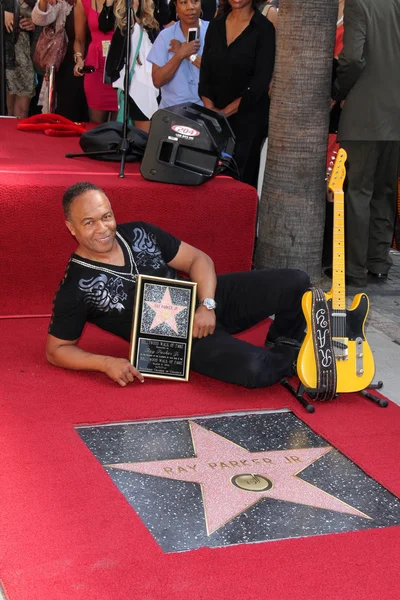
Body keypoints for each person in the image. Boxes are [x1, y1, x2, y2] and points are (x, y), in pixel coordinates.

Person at [46, 182, 310, 388]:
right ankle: (302, 364)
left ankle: (284, 342)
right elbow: (56, 350)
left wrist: (207, 304)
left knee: (295, 281)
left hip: (205, 302)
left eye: (106, 217)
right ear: (71, 228)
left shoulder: (139, 232)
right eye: (89, 222)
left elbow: (198, 259)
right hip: (177, 341)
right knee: (257, 368)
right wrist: (106, 363)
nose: (103, 228)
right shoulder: (76, 287)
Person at [333, 0, 400, 286]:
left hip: (363, 114)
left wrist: (338, 91)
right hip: (395, 116)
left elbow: (352, 58)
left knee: (358, 192)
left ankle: (355, 268)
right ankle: (379, 262)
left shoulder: (359, 4)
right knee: (384, 191)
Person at [199, 0, 275, 188]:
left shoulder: (264, 29)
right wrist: (211, 111)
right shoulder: (216, 24)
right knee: (209, 183)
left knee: (240, 183)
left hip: (248, 121)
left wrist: (224, 112)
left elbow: (260, 83)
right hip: (214, 121)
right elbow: (205, 72)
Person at [100, 0, 159, 132]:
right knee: (141, 135)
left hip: (152, 82)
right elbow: (104, 24)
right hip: (132, 84)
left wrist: (140, 20)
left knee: (150, 134)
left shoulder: (152, 21)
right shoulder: (122, 22)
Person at [31, 0, 89, 120]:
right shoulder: (63, 3)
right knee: (69, 114)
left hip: (98, 60)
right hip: (68, 64)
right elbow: (39, 19)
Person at [147, 0, 209, 108]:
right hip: (173, 111)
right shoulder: (165, 36)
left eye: (195, 1)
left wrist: (189, 56)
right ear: (176, 6)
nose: (190, 7)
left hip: (205, 110)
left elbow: (219, 72)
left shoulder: (213, 31)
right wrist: (180, 54)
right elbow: (157, 81)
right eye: (184, 2)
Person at [73, 0, 118, 123]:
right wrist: (79, 59)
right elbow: (79, 40)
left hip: (119, 69)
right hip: (95, 69)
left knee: (119, 128)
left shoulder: (126, 2)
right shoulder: (83, 2)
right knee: (96, 126)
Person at [4, 0, 37, 118]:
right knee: (7, 110)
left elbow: (49, 19)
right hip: (6, 57)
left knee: (23, 111)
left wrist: (36, 24)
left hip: (27, 58)